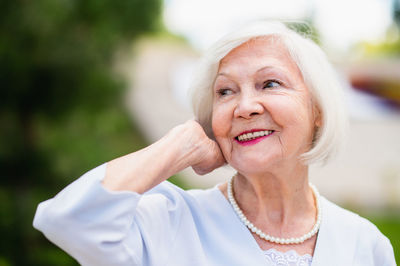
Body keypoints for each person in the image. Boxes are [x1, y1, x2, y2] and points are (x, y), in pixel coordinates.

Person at [33, 21, 396, 266]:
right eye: (225, 91)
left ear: (318, 109)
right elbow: (69, 221)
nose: (245, 107)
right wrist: (180, 143)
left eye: (269, 84)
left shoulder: (365, 245)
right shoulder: (170, 221)